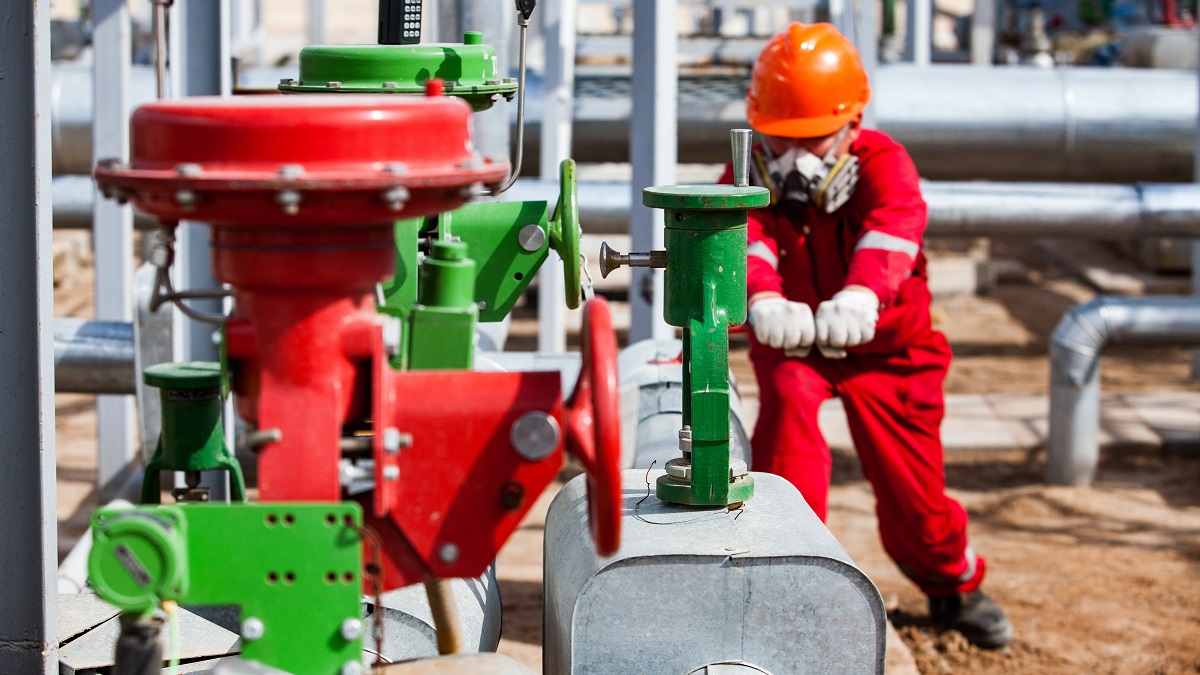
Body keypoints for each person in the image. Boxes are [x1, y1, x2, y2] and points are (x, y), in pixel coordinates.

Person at [721, 22, 1013, 649]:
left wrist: (861, 295)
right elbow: (742, 232)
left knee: (915, 499)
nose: (794, 159)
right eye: (779, 138)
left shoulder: (884, 162)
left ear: (852, 125)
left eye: (813, 139)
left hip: (889, 353)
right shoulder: (746, 171)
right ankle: (785, 588)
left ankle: (951, 584)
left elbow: (894, 225)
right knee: (787, 456)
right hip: (795, 344)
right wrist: (763, 295)